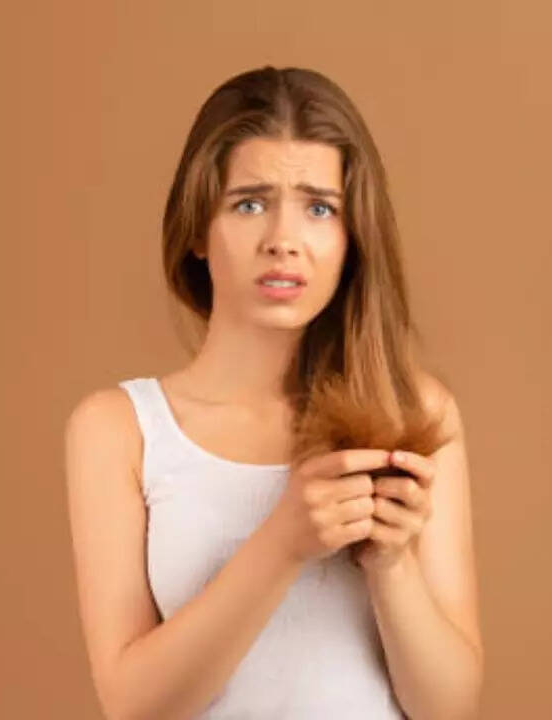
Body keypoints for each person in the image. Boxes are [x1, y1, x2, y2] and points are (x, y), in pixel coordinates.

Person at [65, 65, 483, 719]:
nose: (284, 242)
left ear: (352, 238)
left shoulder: (416, 414)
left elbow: (450, 708)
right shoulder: (119, 429)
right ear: (197, 229)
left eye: (319, 208)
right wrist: (283, 542)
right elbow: (134, 706)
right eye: (249, 204)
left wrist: (392, 565)